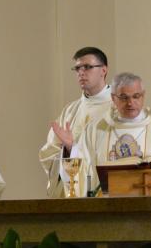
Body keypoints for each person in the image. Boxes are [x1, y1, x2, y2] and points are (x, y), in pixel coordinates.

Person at [68, 72, 151, 195]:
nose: (130, 103)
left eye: (136, 96)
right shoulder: (95, 129)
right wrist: (70, 148)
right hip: (106, 203)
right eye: (124, 97)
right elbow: (81, 168)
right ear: (113, 98)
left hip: (150, 201)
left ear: (143, 96)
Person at [39, 47, 112, 197]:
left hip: (108, 193)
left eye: (88, 67)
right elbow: (49, 154)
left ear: (103, 70)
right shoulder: (69, 112)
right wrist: (68, 150)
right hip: (74, 195)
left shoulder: (118, 108)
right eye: (78, 68)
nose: (81, 72)